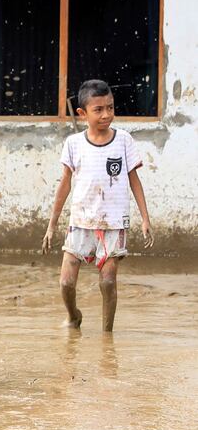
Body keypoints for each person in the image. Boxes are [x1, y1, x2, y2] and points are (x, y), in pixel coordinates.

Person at [42, 79, 154, 331]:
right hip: (80, 222)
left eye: (111, 108)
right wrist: (51, 225)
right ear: (82, 114)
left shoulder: (124, 140)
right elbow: (64, 185)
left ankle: (107, 335)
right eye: (99, 110)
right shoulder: (73, 144)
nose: (107, 115)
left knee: (108, 282)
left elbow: (134, 181)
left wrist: (145, 219)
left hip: (113, 223)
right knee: (66, 283)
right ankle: (73, 316)